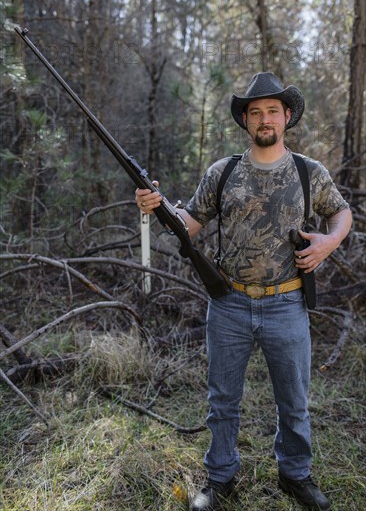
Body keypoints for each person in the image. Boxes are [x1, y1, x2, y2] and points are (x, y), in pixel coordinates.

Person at [135, 72, 353, 511]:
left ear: (287, 116)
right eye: (256, 112)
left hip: (287, 302)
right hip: (229, 302)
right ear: (246, 121)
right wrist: (158, 205)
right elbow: (189, 223)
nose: (265, 118)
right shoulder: (224, 171)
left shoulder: (309, 172)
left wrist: (328, 243)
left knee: (294, 402)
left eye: (273, 110)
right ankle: (221, 478)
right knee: (222, 399)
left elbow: (341, 213)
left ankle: (295, 475)